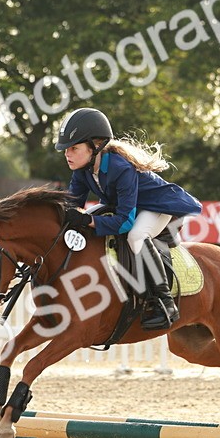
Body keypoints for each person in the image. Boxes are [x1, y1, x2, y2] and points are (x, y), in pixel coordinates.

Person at [55, 108, 202, 330]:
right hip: (131, 207)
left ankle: (164, 302)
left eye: (74, 148)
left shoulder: (120, 167)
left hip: (159, 206)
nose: (68, 154)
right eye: (67, 149)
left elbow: (125, 221)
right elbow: (72, 206)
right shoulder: (82, 170)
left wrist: (87, 221)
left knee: (135, 236)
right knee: (92, 216)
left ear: (95, 145)